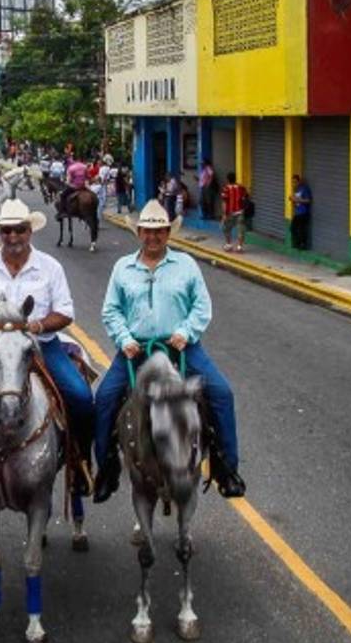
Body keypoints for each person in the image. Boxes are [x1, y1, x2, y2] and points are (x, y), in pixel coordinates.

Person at [91, 200, 245, 503]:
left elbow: (201, 305)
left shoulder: (186, 265)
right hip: (135, 350)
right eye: (147, 231)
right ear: (138, 233)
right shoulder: (122, 267)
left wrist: (185, 332)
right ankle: (107, 470)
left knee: (222, 393)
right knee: (105, 398)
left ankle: (227, 469)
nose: (153, 237)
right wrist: (124, 339)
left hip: (180, 349)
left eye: (159, 231)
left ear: (168, 233)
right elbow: (111, 310)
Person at [0, 199, 94, 488]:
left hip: (40, 347)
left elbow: (65, 312)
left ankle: (80, 460)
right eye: (7, 230)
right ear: (0, 232)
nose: (13, 236)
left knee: (81, 398)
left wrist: (36, 326)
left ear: (30, 231)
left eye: (19, 230)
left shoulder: (50, 267)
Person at [220, 173, 248, 252]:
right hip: (240, 212)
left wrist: (224, 214)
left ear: (228, 179)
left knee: (226, 228)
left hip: (230, 213)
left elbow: (224, 202)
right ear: (235, 179)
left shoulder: (225, 189)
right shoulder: (241, 188)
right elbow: (245, 198)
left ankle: (229, 245)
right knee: (240, 230)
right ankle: (239, 247)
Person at [291, 174, 312, 250]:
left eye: (295, 182)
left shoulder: (304, 189)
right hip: (297, 212)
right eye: (293, 182)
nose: (294, 183)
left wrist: (298, 200)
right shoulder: (295, 189)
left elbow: (308, 200)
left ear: (299, 181)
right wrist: (292, 199)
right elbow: (295, 200)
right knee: (293, 228)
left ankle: (303, 245)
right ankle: (297, 243)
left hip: (303, 213)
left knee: (302, 230)